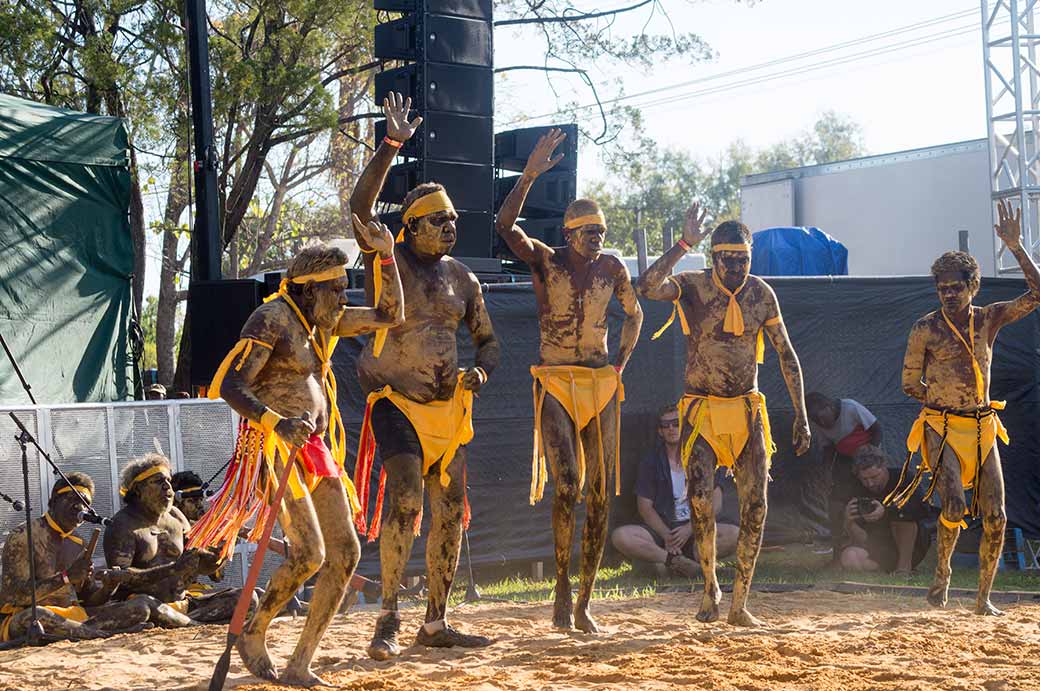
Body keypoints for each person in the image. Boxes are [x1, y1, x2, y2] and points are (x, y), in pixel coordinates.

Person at [183, 226, 404, 684]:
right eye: (337, 289)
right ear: (309, 289)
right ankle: (254, 630)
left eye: (346, 288)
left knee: (344, 553)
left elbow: (390, 314)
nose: (344, 298)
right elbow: (230, 384)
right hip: (272, 447)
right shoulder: (271, 320)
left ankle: (300, 661)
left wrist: (386, 259)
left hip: (314, 449)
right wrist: (277, 422)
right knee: (309, 554)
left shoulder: (324, 322)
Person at [349, 92, 500, 660]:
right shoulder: (388, 259)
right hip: (397, 400)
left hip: (449, 411)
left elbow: (486, 341)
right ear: (411, 227)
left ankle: (435, 620)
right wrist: (391, 146)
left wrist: (481, 372)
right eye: (440, 220)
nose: (452, 227)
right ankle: (388, 615)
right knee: (406, 498)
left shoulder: (463, 278)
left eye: (456, 220)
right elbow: (361, 210)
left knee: (450, 510)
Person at [495, 130, 643, 632]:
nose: (594, 236)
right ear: (567, 231)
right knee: (569, 487)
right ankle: (560, 591)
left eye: (600, 229)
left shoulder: (613, 268)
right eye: (585, 229)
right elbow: (504, 225)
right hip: (557, 380)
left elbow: (636, 315)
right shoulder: (548, 259)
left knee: (601, 493)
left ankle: (584, 601)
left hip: (599, 382)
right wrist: (531, 173)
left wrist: (620, 364)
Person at [636, 203, 811, 627]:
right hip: (702, 412)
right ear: (713, 257)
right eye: (727, 259)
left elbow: (787, 355)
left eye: (743, 259)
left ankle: (740, 601)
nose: (735, 267)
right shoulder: (693, 286)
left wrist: (801, 415)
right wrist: (683, 245)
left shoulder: (762, 294)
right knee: (700, 502)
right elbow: (646, 286)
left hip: (747, 411)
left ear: (751, 257)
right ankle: (710, 587)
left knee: (756, 507)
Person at [889, 199, 1040, 615]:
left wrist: (1016, 246)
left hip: (982, 426)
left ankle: (983, 598)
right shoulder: (925, 328)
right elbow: (908, 383)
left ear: (973, 287)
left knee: (997, 517)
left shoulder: (989, 319)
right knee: (953, 505)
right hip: (940, 425)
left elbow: (1038, 294)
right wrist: (940, 400)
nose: (949, 294)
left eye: (956, 287)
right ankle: (942, 578)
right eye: (942, 288)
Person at [0, 472, 174, 643]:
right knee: (37, 615)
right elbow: (14, 596)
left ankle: (91, 633)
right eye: (73, 499)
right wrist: (65, 577)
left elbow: (88, 599)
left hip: (75, 619)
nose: (80, 508)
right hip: (28, 619)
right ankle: (107, 635)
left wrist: (108, 588)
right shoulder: (24, 535)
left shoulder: (79, 543)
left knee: (140, 605)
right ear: (53, 501)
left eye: (85, 503)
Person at [104, 454, 245, 625]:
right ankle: (194, 624)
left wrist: (222, 548)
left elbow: (202, 566)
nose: (167, 487)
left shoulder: (176, 517)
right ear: (138, 489)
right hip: (147, 607)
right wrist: (173, 569)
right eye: (158, 481)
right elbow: (119, 580)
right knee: (144, 606)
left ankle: (186, 622)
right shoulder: (121, 525)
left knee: (249, 597)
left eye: (168, 481)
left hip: (182, 604)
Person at [611, 406, 739, 577]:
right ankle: (676, 563)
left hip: (695, 530)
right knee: (621, 536)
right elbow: (644, 507)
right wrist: (667, 535)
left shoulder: (702, 456)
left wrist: (691, 528)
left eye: (676, 423)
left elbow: (716, 503)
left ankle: (686, 563)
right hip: (663, 531)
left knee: (735, 534)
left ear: (685, 427)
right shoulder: (651, 461)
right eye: (666, 425)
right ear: (660, 431)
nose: (671, 429)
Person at [805, 392, 883, 553]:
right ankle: (839, 542)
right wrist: (828, 472)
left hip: (868, 456)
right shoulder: (818, 422)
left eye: (823, 418)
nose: (822, 423)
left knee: (869, 492)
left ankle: (876, 540)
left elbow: (877, 429)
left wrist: (870, 458)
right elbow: (828, 448)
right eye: (816, 421)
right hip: (845, 460)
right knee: (837, 498)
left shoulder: (851, 407)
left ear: (829, 407)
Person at [838, 445, 931, 574]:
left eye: (874, 477)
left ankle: (904, 569)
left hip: (911, 545)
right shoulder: (856, 487)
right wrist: (849, 522)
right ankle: (882, 571)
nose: (870, 483)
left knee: (902, 515)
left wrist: (886, 511)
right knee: (849, 557)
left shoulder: (903, 478)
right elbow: (862, 539)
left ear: (884, 468)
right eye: (864, 479)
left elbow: (924, 510)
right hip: (878, 547)